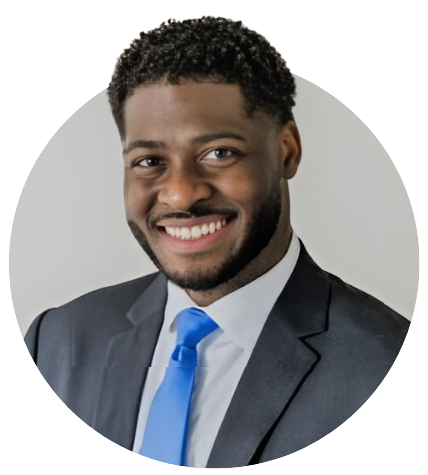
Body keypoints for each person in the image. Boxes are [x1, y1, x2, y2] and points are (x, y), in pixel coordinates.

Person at [24, 16, 410, 467]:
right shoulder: (57, 342)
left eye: (219, 153)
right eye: (149, 160)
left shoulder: (380, 365)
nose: (180, 194)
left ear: (287, 150)